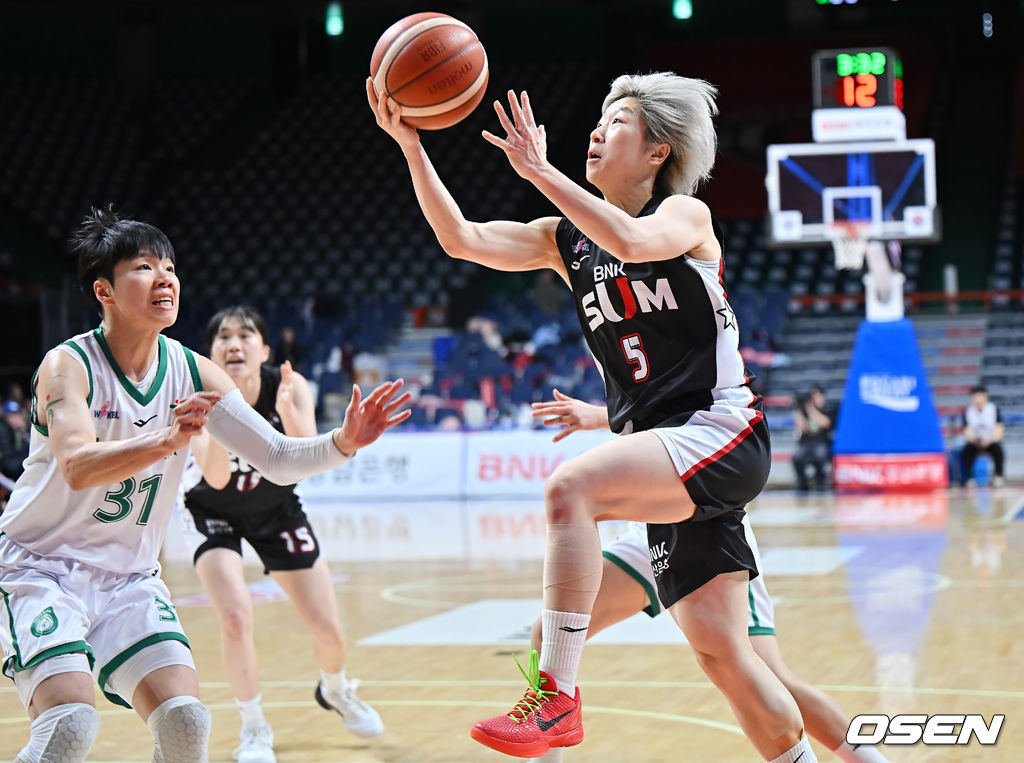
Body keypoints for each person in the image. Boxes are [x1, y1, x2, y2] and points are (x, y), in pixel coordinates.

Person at [369, 72, 815, 762]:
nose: (598, 132)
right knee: (730, 660)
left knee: (570, 488)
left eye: (618, 123)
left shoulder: (684, 216)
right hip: (666, 457)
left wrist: (540, 171)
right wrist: (411, 144)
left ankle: (555, 697)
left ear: (659, 151)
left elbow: (632, 243)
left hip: (720, 433)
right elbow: (461, 238)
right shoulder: (566, 241)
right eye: (599, 121)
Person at [0, 208, 410, 763]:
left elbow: (277, 458)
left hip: (127, 579)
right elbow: (77, 466)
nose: (165, 278)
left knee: (185, 723)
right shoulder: (67, 365)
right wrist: (166, 440)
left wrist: (344, 441)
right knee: (69, 725)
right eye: (144, 267)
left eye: (169, 267)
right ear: (104, 291)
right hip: (42, 567)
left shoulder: (192, 370)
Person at [522, 390, 889, 763]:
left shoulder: (699, 364)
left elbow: (688, 406)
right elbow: (648, 412)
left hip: (708, 527)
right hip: (646, 531)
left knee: (769, 678)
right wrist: (600, 416)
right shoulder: (621, 364)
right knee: (548, 635)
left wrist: (601, 416)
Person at [183, 306, 383, 763]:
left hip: (276, 507)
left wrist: (287, 412)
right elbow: (215, 478)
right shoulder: (197, 394)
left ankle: (335, 690)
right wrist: (217, 419)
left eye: (245, 335)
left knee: (328, 629)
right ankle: (253, 727)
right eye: (223, 337)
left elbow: (302, 463)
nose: (234, 344)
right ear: (210, 354)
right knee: (235, 618)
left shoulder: (291, 386)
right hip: (210, 510)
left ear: (265, 350)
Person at [792, 385, 837, 492]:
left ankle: (821, 482)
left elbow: (826, 423)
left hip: (821, 441)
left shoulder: (828, 409)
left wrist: (811, 410)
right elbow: (802, 428)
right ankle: (803, 483)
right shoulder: (804, 411)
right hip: (805, 442)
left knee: (819, 456)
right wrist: (799, 409)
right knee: (797, 458)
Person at [960, 385, 1005, 487]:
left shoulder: (993, 409)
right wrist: (974, 439)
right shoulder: (968, 411)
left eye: (980, 396)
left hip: (991, 441)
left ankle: (998, 476)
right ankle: (969, 478)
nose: (978, 399)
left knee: (998, 449)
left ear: (985, 397)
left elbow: (999, 428)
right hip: (975, 442)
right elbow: (966, 430)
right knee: (967, 450)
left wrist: (991, 439)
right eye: (975, 397)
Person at [0, 400, 30, 481]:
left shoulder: (25, 430)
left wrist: (23, 432)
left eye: (17, 415)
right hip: (9, 475)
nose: (15, 419)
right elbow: (9, 465)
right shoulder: (4, 432)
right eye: (11, 416)